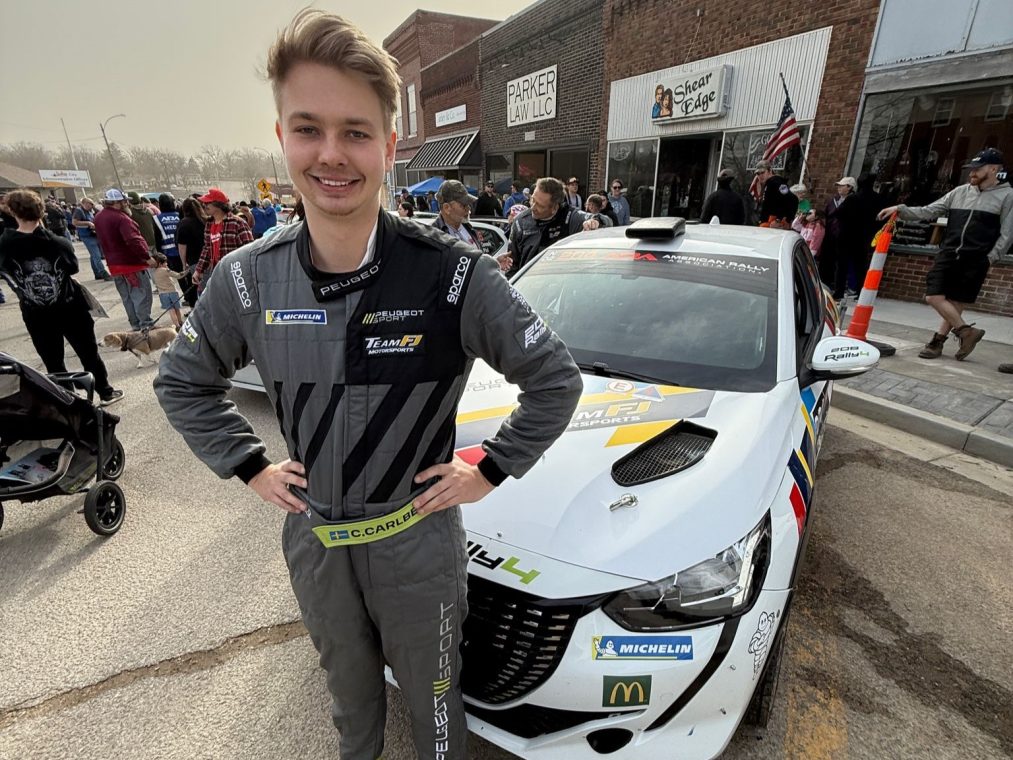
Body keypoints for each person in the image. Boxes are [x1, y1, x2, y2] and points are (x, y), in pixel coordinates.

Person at [153, 10, 582, 760]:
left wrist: (490, 469)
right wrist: (249, 465)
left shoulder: (453, 273)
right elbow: (182, 383)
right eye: (308, 129)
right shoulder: (247, 277)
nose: (331, 153)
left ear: (388, 145)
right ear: (282, 137)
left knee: (436, 713)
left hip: (415, 541)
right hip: (316, 540)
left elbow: (554, 380)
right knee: (351, 711)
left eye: (354, 132)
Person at [879, 148, 1011, 362]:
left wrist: (990, 257)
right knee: (933, 296)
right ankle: (967, 332)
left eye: (978, 169)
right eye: (971, 168)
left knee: (956, 301)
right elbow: (929, 210)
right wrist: (900, 210)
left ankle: (938, 341)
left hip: (976, 257)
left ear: (993, 169)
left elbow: (1007, 233)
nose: (972, 173)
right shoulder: (960, 192)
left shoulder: (1007, 196)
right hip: (949, 252)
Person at [0, 189, 122, 405]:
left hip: (35, 311)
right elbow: (73, 268)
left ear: (14, 213)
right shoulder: (57, 242)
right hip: (69, 306)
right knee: (88, 352)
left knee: (52, 360)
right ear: (41, 212)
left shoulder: (5, 244)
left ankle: (67, 400)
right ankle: (104, 391)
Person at [502, 176, 602, 277]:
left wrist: (594, 222)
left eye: (540, 205)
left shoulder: (570, 217)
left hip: (561, 282)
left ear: (554, 208)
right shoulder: (521, 221)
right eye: (532, 200)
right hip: (528, 283)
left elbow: (602, 220)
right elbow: (511, 267)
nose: (533, 207)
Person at [94, 188, 157, 331]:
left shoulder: (99, 217)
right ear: (118, 202)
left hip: (114, 264)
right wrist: (146, 257)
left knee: (127, 297)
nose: (127, 204)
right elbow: (133, 240)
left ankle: (135, 324)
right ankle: (145, 324)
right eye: (125, 201)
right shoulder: (122, 218)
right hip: (131, 264)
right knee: (140, 294)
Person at [192, 187, 253, 293]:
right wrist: (198, 270)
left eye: (207, 203)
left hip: (236, 275)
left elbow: (250, 250)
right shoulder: (209, 224)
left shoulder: (238, 223)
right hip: (217, 273)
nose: (204, 206)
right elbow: (207, 248)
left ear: (218, 205)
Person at [826, 177, 864, 300]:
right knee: (840, 265)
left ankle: (842, 291)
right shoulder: (836, 200)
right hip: (837, 235)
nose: (839, 188)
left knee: (844, 266)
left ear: (849, 187)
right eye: (838, 185)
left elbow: (838, 214)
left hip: (847, 237)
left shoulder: (853, 200)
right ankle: (840, 289)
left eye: (842, 186)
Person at [432, 179, 482, 249]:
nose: (468, 208)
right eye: (463, 205)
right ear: (446, 208)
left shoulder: (467, 226)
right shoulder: (433, 236)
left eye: (468, 204)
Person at [174, 197, 205, 308]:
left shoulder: (183, 223)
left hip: (194, 261)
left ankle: (201, 311)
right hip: (209, 259)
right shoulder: (205, 220)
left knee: (199, 289)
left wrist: (183, 263)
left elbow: (182, 246)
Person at [71, 197, 112, 280]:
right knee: (96, 255)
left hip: (93, 234)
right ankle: (103, 273)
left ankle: (97, 273)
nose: (92, 206)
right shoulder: (79, 211)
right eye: (90, 204)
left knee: (94, 255)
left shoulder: (90, 211)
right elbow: (74, 222)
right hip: (87, 235)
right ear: (85, 203)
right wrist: (88, 223)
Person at [754, 160, 798, 227]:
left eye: (762, 172)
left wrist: (780, 220)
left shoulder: (776, 182)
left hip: (772, 225)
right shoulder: (769, 184)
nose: (760, 176)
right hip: (766, 224)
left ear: (770, 171)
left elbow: (793, 199)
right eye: (758, 174)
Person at [153, 193, 182, 278]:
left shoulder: (156, 219)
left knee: (176, 277)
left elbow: (157, 239)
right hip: (182, 251)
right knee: (186, 274)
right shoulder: (179, 215)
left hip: (167, 253)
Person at [150, 253, 183, 329]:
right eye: (165, 262)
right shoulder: (165, 270)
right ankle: (180, 322)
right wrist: (186, 272)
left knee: (171, 311)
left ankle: (177, 326)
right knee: (177, 309)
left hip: (162, 294)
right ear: (160, 264)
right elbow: (178, 276)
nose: (167, 264)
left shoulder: (154, 273)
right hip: (172, 292)